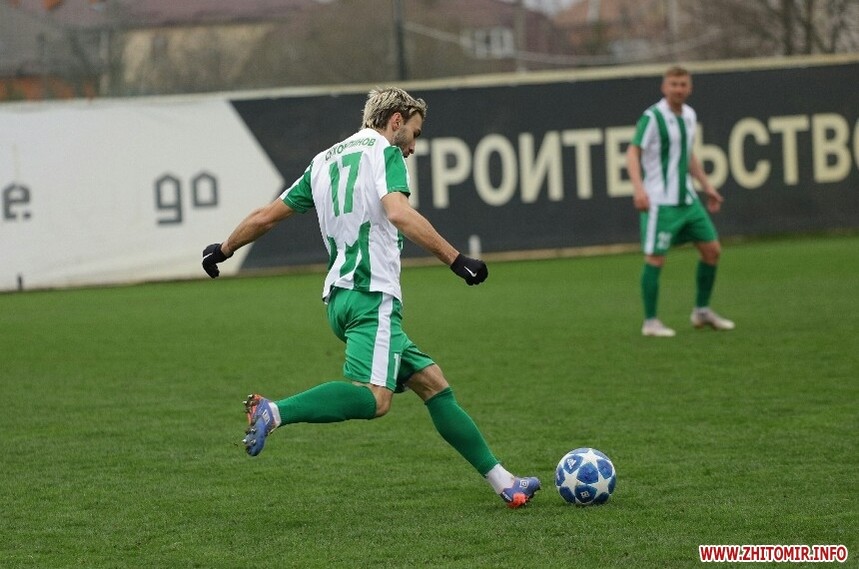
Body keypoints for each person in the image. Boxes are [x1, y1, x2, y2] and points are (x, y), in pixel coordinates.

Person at [201, 87, 540, 508]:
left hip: (339, 300)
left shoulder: (322, 162)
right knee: (376, 399)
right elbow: (398, 212)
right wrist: (457, 260)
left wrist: (224, 249)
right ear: (396, 120)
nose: (412, 147)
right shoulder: (386, 152)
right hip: (371, 295)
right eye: (414, 133)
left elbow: (266, 216)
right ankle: (276, 411)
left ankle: (506, 483)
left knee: (432, 383)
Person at [626, 66, 735, 338]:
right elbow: (632, 152)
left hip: (687, 200)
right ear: (664, 87)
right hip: (660, 202)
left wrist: (707, 186)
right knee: (655, 258)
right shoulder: (652, 117)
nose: (678, 89)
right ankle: (650, 322)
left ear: (690, 88)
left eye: (683, 84)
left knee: (712, 250)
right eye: (673, 84)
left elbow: (687, 155)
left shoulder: (689, 115)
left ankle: (701, 311)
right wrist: (639, 189)